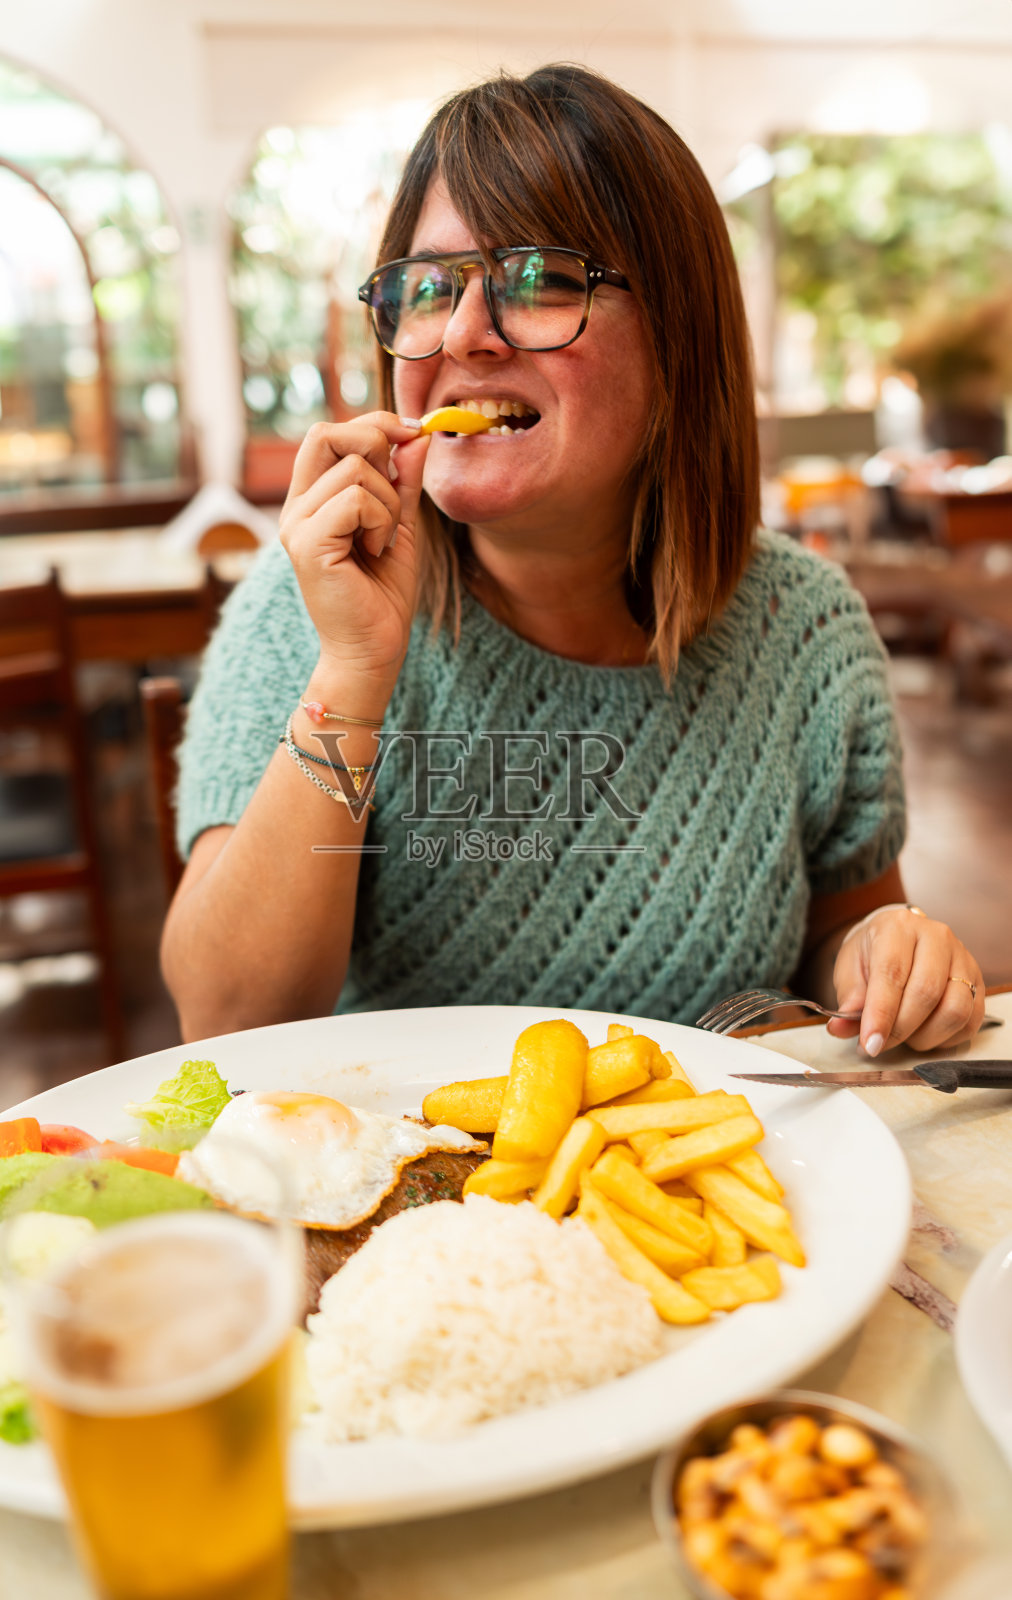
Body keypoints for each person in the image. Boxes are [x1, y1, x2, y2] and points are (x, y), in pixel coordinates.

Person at [163, 63, 985, 1057]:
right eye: (428, 289)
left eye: (540, 280)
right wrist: (353, 674)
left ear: (680, 335)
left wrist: (881, 956)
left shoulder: (802, 630)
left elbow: (832, 939)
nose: (463, 332)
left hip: (707, 1197)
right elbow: (224, 1021)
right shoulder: (301, 611)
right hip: (408, 1195)